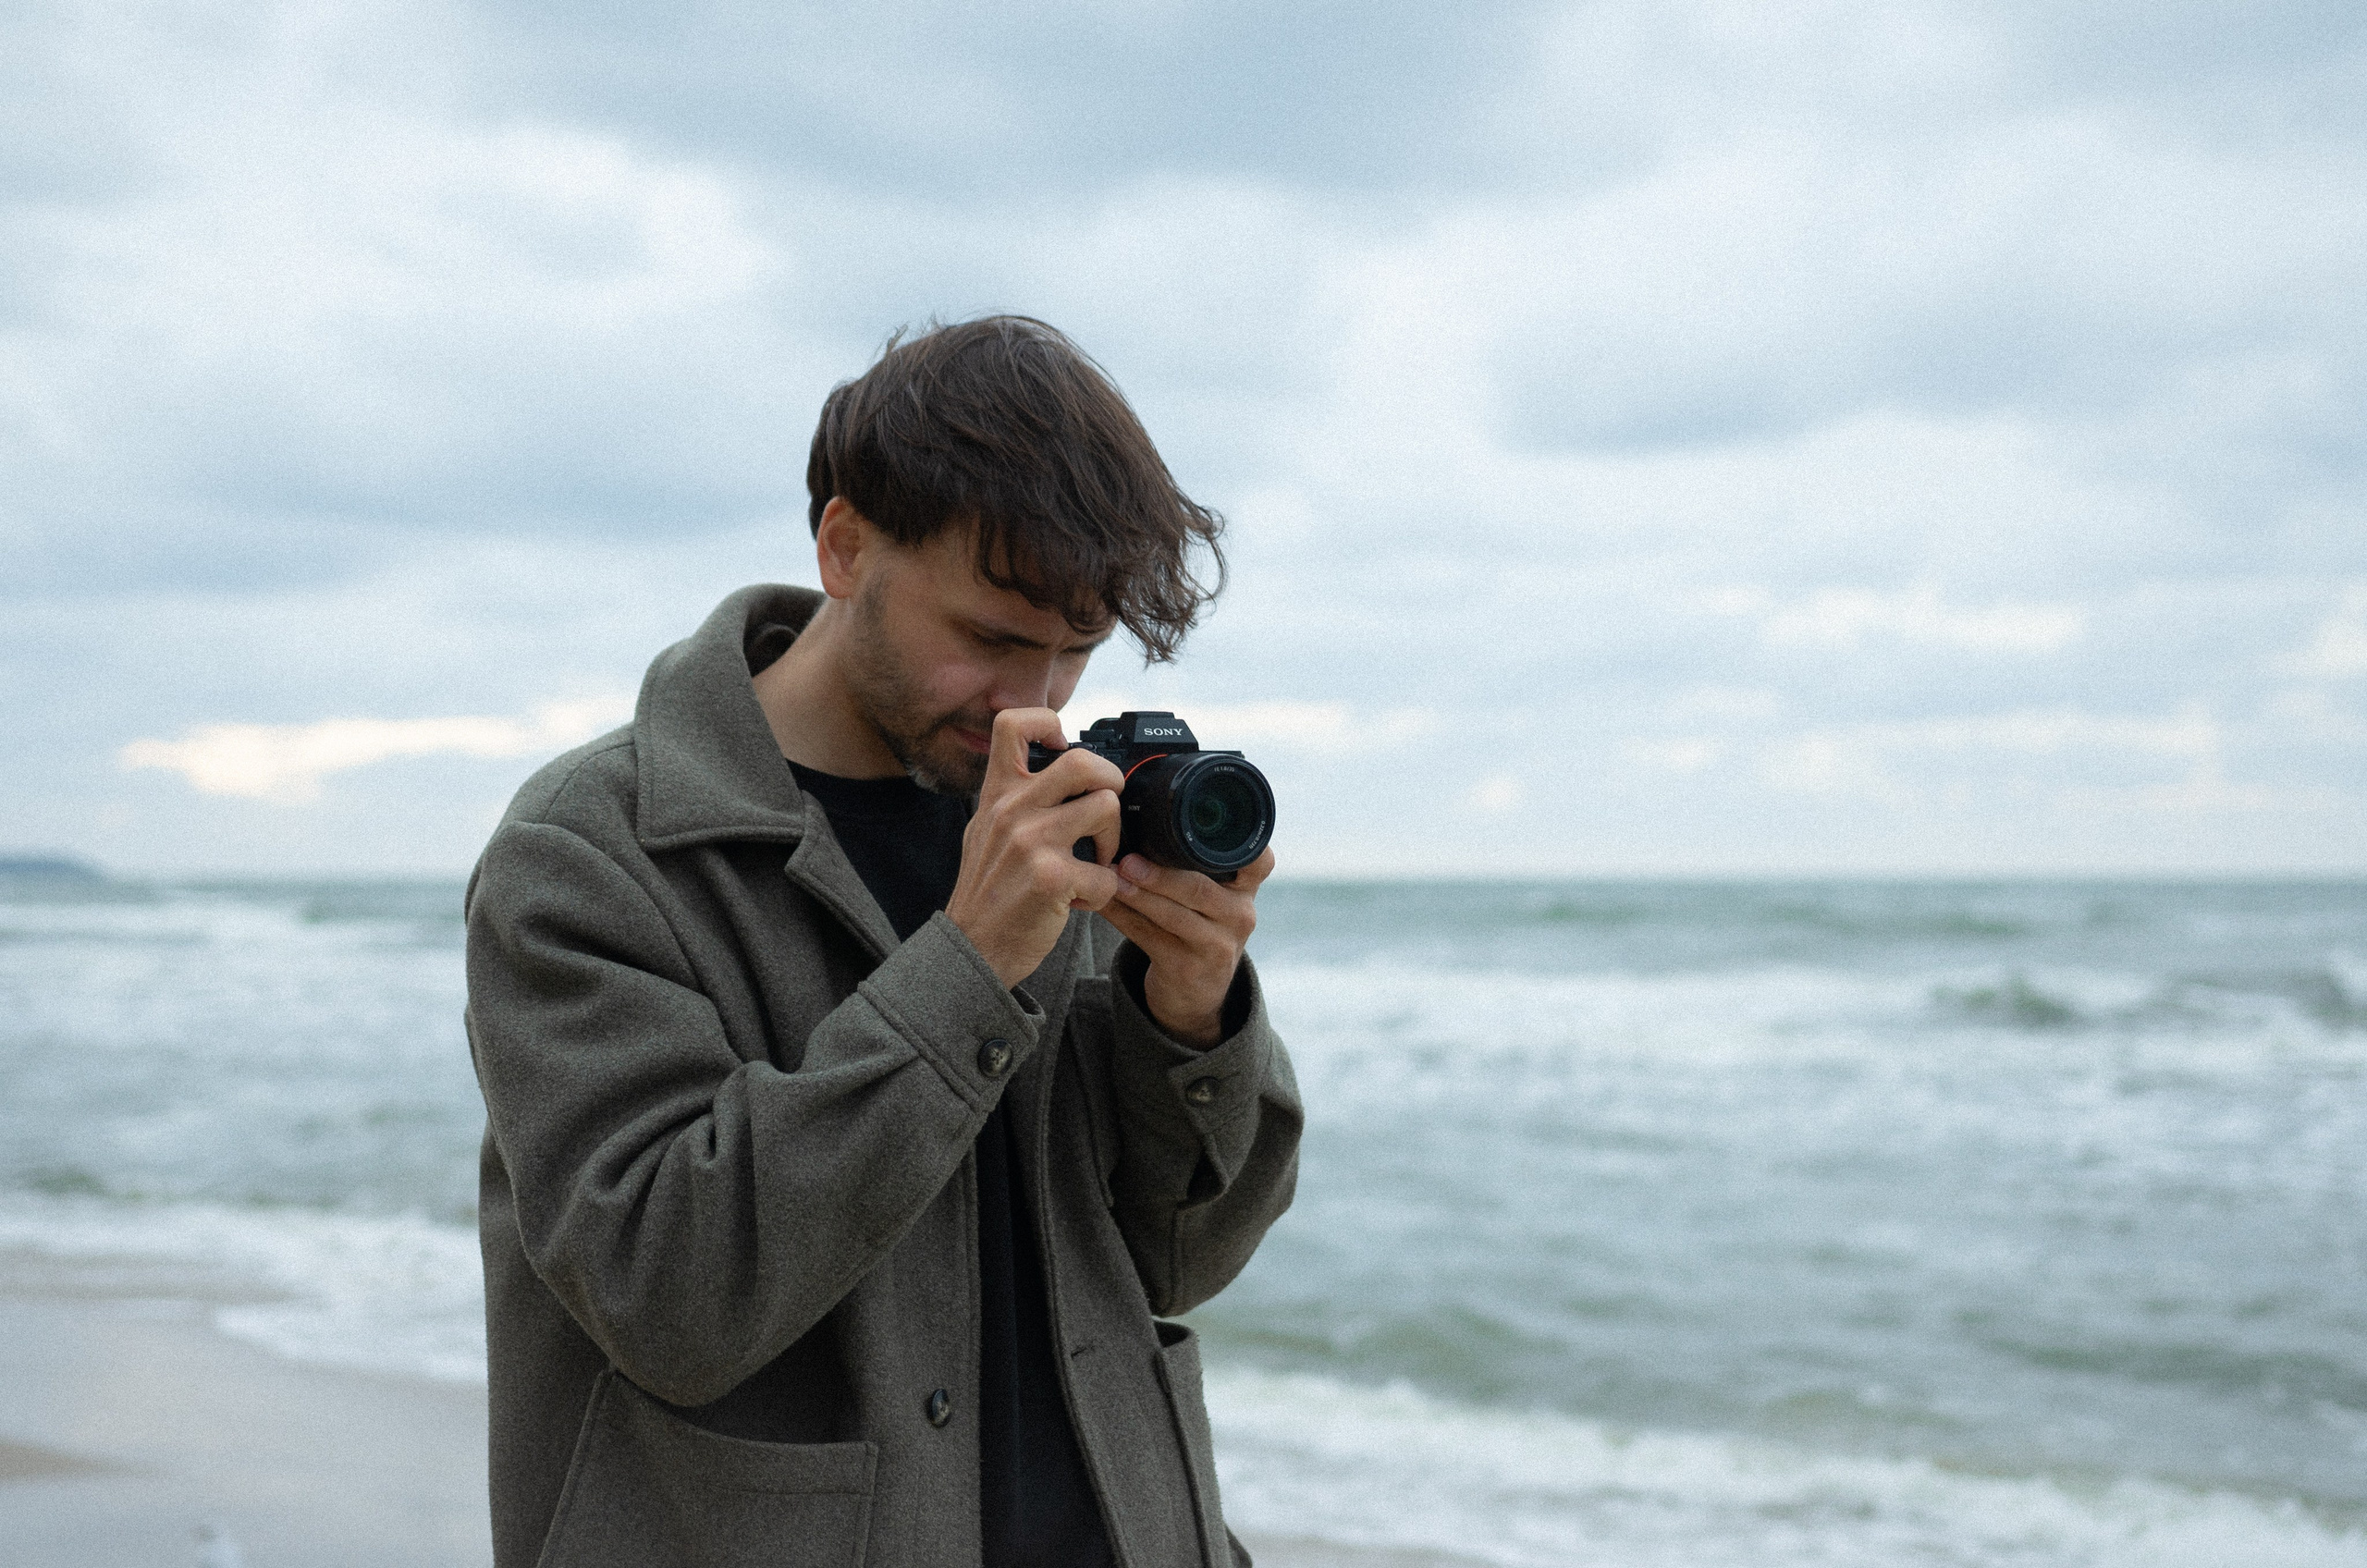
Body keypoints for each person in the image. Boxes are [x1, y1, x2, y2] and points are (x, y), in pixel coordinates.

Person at [464, 315, 1301, 1568]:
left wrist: (1190, 1017)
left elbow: (1176, 1262)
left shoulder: (1045, 814)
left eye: (1077, 650)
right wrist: (966, 964)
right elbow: (668, 1296)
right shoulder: (593, 852)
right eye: (995, 637)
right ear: (846, 545)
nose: (1039, 701)